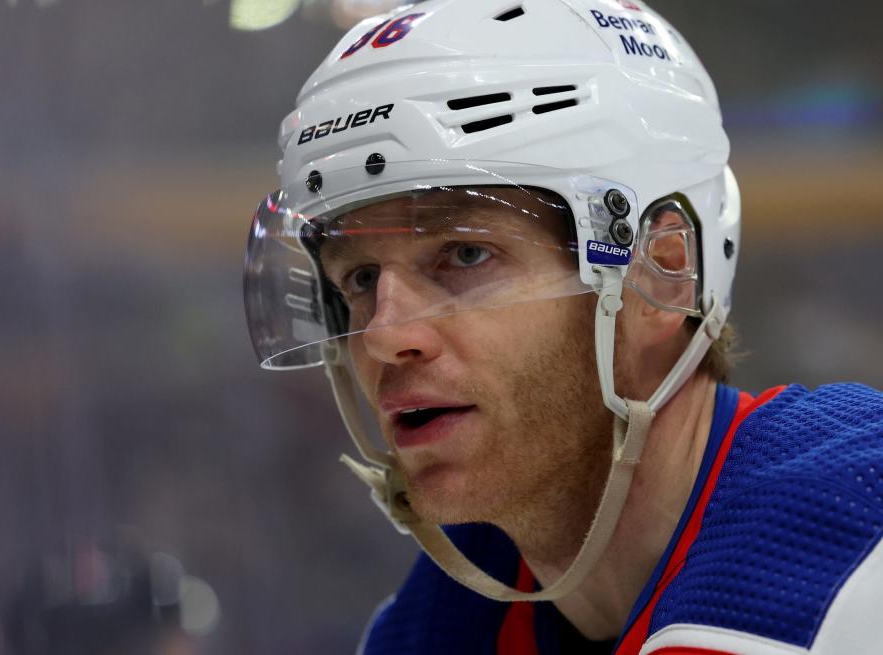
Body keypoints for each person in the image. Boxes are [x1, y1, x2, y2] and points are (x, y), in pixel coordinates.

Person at [243, 0, 883, 652]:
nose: (383, 335)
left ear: (661, 275)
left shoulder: (854, 548)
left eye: (465, 254)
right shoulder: (435, 624)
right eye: (360, 280)